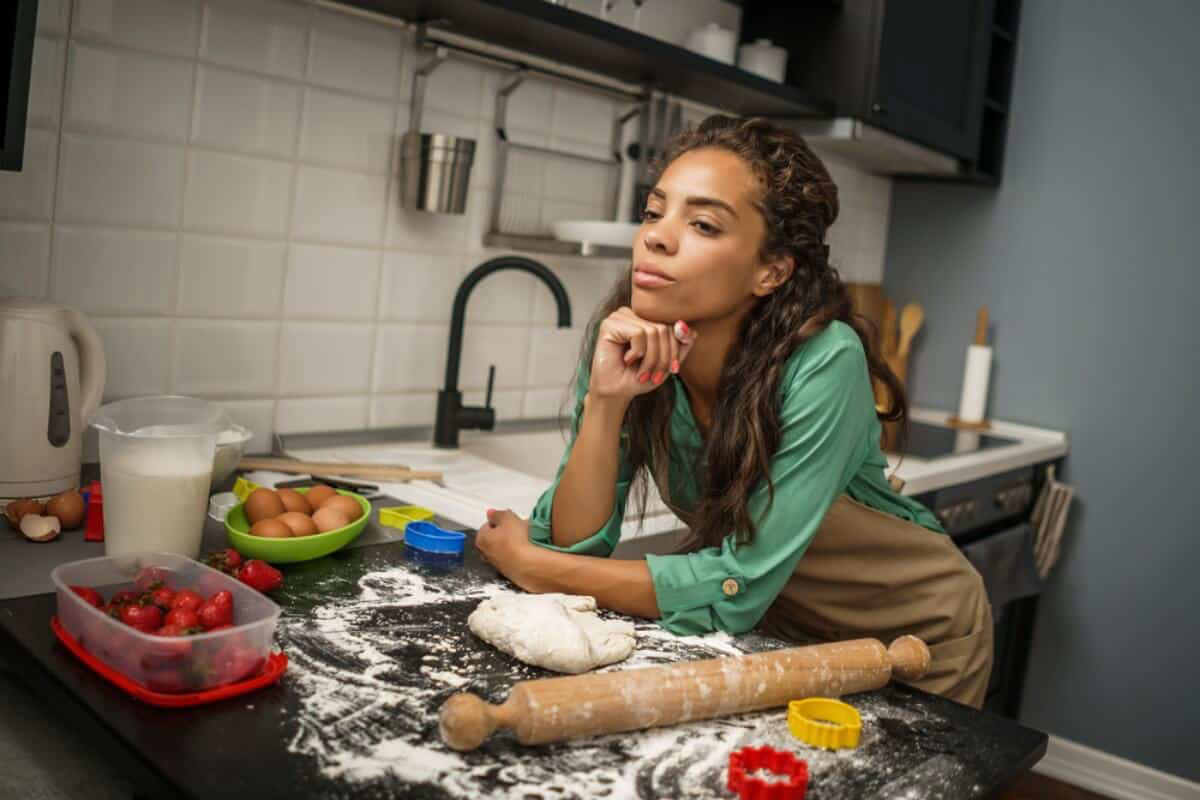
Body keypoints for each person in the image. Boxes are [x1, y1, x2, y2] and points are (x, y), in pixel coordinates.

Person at [475, 115, 993, 708]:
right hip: (777, 638)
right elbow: (574, 546)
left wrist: (533, 565)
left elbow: (736, 584)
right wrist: (607, 402)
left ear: (770, 270)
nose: (657, 237)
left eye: (702, 224)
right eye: (654, 212)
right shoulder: (632, 336)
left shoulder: (824, 360)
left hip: (915, 639)